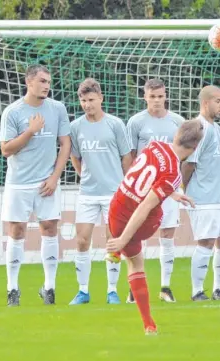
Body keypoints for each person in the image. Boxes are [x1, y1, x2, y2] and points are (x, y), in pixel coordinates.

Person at [106, 120, 204, 335]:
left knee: (133, 258)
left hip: (115, 208)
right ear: (194, 148)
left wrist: (172, 193)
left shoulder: (154, 145)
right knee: (157, 215)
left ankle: (115, 248)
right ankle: (148, 324)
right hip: (136, 219)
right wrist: (123, 239)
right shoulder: (174, 173)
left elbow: (143, 177)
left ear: (176, 134)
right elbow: (145, 206)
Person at [0, 64, 71, 306]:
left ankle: (49, 288)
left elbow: (66, 145)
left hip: (46, 182)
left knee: (50, 229)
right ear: (29, 83)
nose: (46, 85)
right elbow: (6, 150)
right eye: (42, 81)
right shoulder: (13, 112)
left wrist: (55, 177)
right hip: (18, 183)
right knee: (16, 231)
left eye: (48, 81)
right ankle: (12, 289)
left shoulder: (57, 109)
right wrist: (30, 131)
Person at [68, 78, 132, 305]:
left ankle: (112, 291)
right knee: (82, 240)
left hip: (113, 192)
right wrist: (85, 174)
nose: (87, 105)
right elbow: (75, 157)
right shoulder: (75, 127)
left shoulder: (115, 124)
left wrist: (126, 185)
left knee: (112, 241)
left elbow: (126, 157)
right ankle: (83, 291)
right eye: (83, 101)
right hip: (87, 193)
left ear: (101, 98)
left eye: (91, 100)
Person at [126, 78, 185, 303]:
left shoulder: (177, 122)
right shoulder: (136, 122)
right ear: (145, 97)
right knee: (137, 236)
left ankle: (165, 287)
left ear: (166, 96)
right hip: (143, 189)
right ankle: (135, 286)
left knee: (167, 235)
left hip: (168, 188)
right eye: (152, 97)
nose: (157, 101)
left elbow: (182, 155)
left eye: (160, 96)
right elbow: (131, 157)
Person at [181, 85, 220, 301]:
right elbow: (188, 164)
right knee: (206, 243)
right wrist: (183, 191)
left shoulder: (216, 128)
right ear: (205, 103)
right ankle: (197, 290)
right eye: (218, 101)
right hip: (203, 198)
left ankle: (218, 288)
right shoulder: (199, 128)